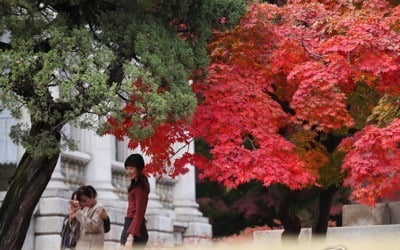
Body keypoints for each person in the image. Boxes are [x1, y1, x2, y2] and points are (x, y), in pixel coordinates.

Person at [120, 154, 150, 249]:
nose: (128, 172)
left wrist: (131, 237)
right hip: (130, 224)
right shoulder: (136, 185)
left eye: (131, 168)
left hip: (135, 228)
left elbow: (139, 213)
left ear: (139, 168)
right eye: (127, 168)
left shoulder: (141, 187)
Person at [70, 185, 106, 250]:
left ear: (92, 197)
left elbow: (93, 227)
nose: (83, 203)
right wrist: (73, 217)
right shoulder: (85, 209)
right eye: (81, 201)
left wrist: (78, 213)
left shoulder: (99, 208)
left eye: (85, 200)